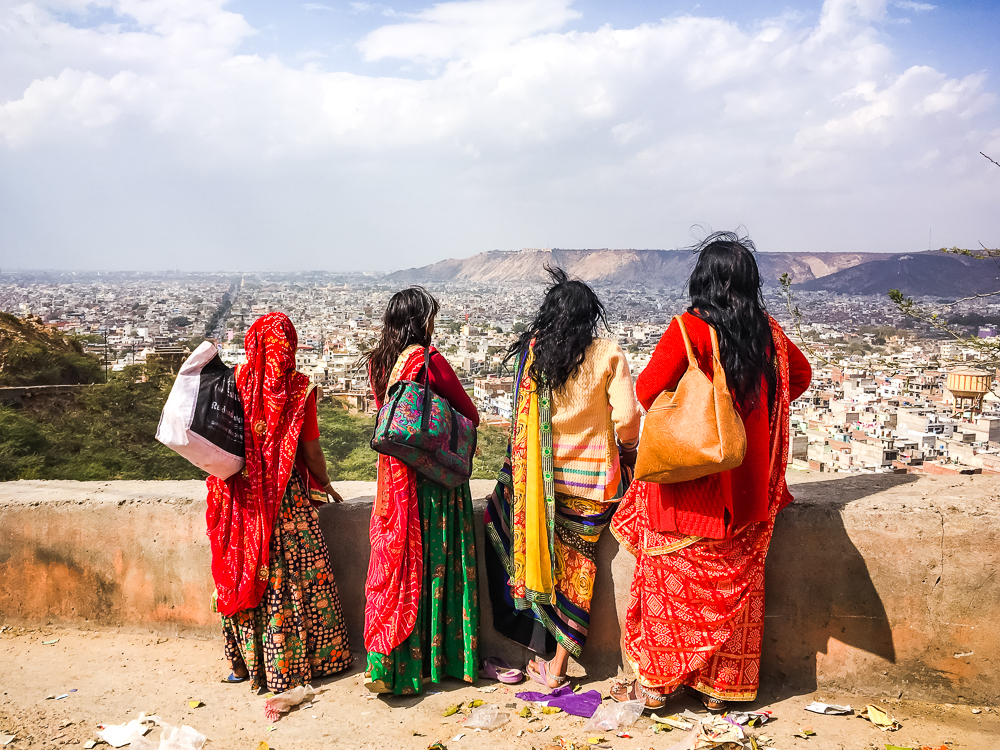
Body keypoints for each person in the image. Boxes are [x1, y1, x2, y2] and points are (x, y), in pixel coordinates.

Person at [610, 232, 812, 711]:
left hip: (687, 488)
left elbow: (647, 388)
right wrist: (751, 417)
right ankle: (719, 691)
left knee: (670, 584)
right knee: (733, 593)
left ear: (702, 280)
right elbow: (798, 378)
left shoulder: (689, 329)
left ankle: (658, 686)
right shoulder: (771, 333)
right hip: (745, 488)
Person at [484, 267, 641, 688]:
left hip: (542, 486)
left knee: (514, 528)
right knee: (577, 569)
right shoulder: (608, 353)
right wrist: (628, 453)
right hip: (594, 485)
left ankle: (542, 651)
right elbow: (627, 418)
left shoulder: (537, 356)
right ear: (590, 316)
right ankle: (557, 666)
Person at [206, 311, 351, 692]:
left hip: (240, 498)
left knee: (241, 571)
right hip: (284, 502)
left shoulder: (236, 380)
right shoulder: (298, 389)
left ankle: (242, 665)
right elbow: (312, 450)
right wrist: (325, 483)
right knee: (297, 579)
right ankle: (295, 665)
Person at [361, 287, 481, 695]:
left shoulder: (381, 363)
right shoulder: (429, 362)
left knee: (396, 566)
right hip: (430, 481)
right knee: (433, 565)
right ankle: (439, 660)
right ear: (420, 321)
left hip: (392, 478)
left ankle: (389, 663)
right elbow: (471, 413)